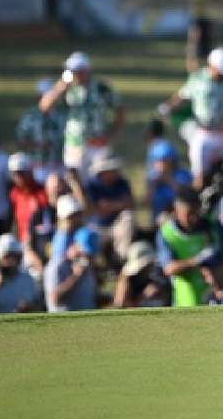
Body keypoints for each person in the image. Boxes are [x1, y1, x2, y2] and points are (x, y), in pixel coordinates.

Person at [160, 47, 223, 187]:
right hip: (205, 132)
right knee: (199, 171)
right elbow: (183, 95)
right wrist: (168, 107)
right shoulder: (198, 80)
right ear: (213, 66)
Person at [38, 51, 125, 179]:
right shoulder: (66, 88)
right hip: (75, 145)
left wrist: (110, 135)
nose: (75, 74)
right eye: (72, 71)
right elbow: (44, 107)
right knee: (76, 180)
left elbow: (120, 110)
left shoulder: (101, 88)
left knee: (98, 180)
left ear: (87, 70)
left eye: (78, 71)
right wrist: (61, 87)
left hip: (98, 144)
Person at [156, 186, 223, 306]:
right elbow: (169, 268)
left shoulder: (210, 226)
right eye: (189, 214)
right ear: (177, 211)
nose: (194, 218)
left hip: (214, 298)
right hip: (184, 301)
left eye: (196, 212)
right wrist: (198, 260)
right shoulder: (167, 233)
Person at [44, 195, 99, 312]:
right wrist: (76, 276)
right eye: (72, 216)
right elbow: (55, 299)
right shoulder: (57, 265)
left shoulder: (84, 263)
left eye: (78, 214)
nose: (76, 219)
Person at [84, 155, 136, 265]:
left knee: (128, 217)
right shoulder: (91, 185)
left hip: (118, 223)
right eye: (113, 169)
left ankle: (120, 260)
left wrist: (110, 206)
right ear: (104, 172)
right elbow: (93, 209)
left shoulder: (122, 183)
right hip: (98, 226)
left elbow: (130, 204)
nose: (117, 171)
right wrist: (119, 205)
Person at [7, 153, 51, 274]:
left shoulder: (41, 192)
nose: (18, 177)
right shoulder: (15, 194)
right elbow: (15, 222)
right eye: (15, 174)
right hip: (23, 244)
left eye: (21, 173)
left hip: (40, 244)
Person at [15, 78, 65, 177]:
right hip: (38, 166)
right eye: (47, 95)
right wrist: (39, 145)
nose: (51, 99)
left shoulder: (61, 114)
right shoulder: (30, 116)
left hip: (60, 166)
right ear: (40, 96)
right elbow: (21, 141)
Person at [0, 233, 42, 313]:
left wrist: (29, 307)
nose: (12, 261)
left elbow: (37, 303)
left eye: (15, 256)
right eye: (8, 257)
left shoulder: (28, 278)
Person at [114, 240, 171, 308]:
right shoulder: (127, 278)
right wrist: (142, 296)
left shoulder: (160, 273)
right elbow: (120, 305)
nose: (150, 266)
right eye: (147, 265)